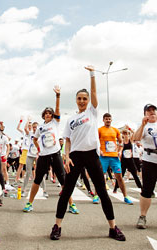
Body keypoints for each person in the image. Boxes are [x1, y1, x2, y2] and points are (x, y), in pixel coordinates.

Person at [50, 65, 125, 241]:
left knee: (102, 192)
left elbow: (93, 91)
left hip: (92, 155)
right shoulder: (71, 120)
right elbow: (67, 141)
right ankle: (57, 226)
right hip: (75, 157)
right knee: (66, 192)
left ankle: (113, 228)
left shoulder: (92, 112)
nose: (82, 101)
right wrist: (66, 156)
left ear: (88, 100)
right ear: (76, 100)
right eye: (79, 98)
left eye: (85, 98)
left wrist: (92, 74)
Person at [23, 85, 79, 214]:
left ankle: (72, 204)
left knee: (64, 181)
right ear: (43, 115)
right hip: (43, 156)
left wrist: (58, 96)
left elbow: (58, 109)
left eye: (50, 113)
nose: (48, 114)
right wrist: (38, 149)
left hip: (56, 154)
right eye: (46, 113)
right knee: (37, 180)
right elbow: (35, 139)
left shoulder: (55, 123)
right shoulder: (40, 127)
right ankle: (29, 203)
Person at [98, 113, 133, 205]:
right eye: (106, 119)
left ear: (111, 120)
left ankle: (125, 196)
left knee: (119, 177)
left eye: (109, 119)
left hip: (114, 157)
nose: (108, 120)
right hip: (104, 157)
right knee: (101, 177)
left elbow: (121, 142)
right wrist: (99, 150)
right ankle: (97, 196)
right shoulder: (99, 130)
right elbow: (96, 142)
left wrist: (120, 150)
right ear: (103, 120)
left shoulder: (115, 130)